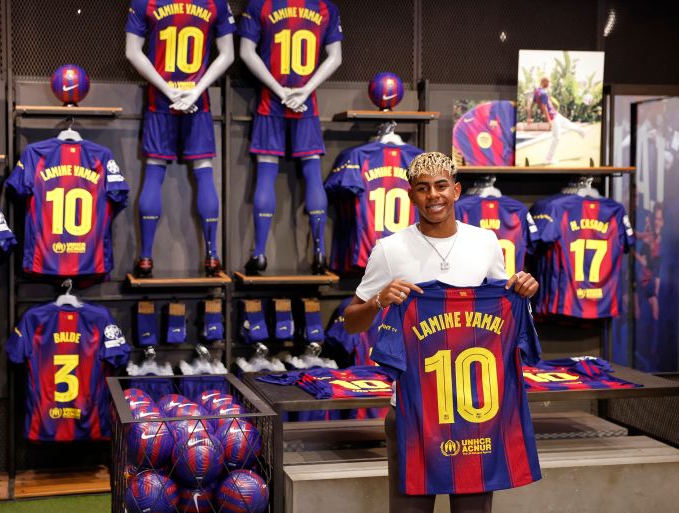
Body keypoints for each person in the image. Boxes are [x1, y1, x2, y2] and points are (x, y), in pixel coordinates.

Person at [344, 151, 539, 513]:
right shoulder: (389, 249)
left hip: (475, 410)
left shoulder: (485, 242)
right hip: (412, 411)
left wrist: (524, 290)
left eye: (440, 186)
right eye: (422, 188)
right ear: (411, 195)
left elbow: (504, 305)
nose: (433, 195)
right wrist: (378, 302)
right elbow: (350, 320)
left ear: (456, 190)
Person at [125, 0, 236, 278]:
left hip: (160, 100)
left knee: (153, 174)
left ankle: (146, 258)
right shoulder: (214, 3)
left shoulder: (146, 2)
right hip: (198, 101)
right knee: (204, 174)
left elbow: (132, 52)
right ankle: (212, 257)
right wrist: (196, 90)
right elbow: (228, 55)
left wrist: (167, 89)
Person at [238, 0, 343, 275]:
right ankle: (320, 252)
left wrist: (279, 91)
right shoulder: (324, 7)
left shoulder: (261, 5)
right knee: (312, 173)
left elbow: (247, 52)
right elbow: (336, 57)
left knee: (265, 174)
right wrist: (305, 90)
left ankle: (259, 254)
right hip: (307, 103)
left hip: (270, 102)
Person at [526, 76, 585, 165]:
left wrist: (529, 118)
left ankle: (582, 132)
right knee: (557, 137)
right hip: (552, 117)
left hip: (555, 114)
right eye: (548, 82)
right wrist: (549, 121)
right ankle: (548, 159)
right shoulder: (543, 93)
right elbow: (544, 107)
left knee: (568, 123)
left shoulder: (537, 91)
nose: (549, 84)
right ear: (544, 82)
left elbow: (531, 105)